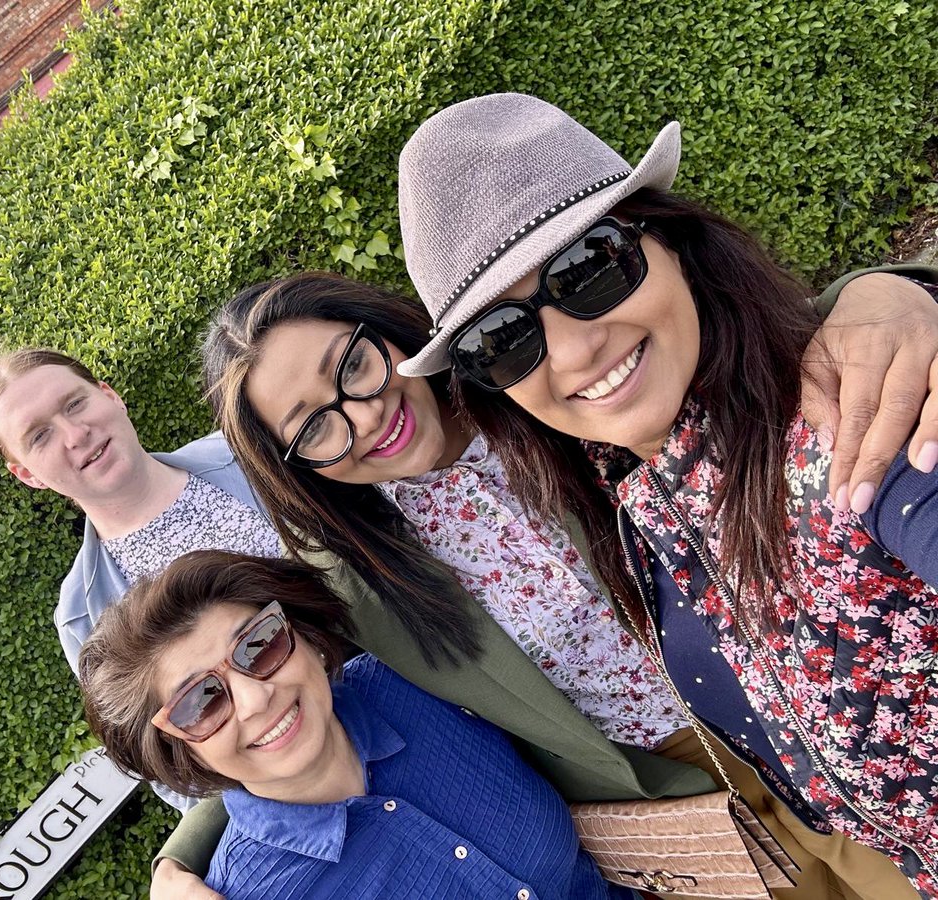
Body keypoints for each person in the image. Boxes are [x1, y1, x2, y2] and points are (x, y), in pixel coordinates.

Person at [392, 93, 938, 897]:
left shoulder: (855, 423)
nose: (576, 350)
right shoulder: (629, 503)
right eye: (502, 339)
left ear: (673, 239)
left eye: (590, 268)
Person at [80, 549, 640, 899]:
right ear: (177, 748)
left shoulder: (416, 681)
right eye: (202, 702)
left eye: (258, 644)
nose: (255, 698)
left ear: (298, 633)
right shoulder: (250, 893)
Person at [0, 347, 282, 677]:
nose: (75, 435)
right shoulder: (83, 618)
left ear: (111, 396)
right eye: (40, 436)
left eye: (75, 404)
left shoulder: (251, 448)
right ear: (28, 475)